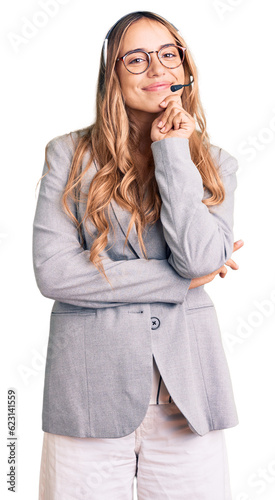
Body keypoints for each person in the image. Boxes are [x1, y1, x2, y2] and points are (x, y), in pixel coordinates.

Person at [33, 10, 244, 500]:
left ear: (185, 67)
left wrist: (173, 151)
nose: (158, 69)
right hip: (87, 393)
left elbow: (196, 259)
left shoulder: (216, 164)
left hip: (187, 396)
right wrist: (178, 282)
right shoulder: (67, 155)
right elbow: (54, 273)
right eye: (137, 59)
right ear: (112, 74)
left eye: (168, 54)